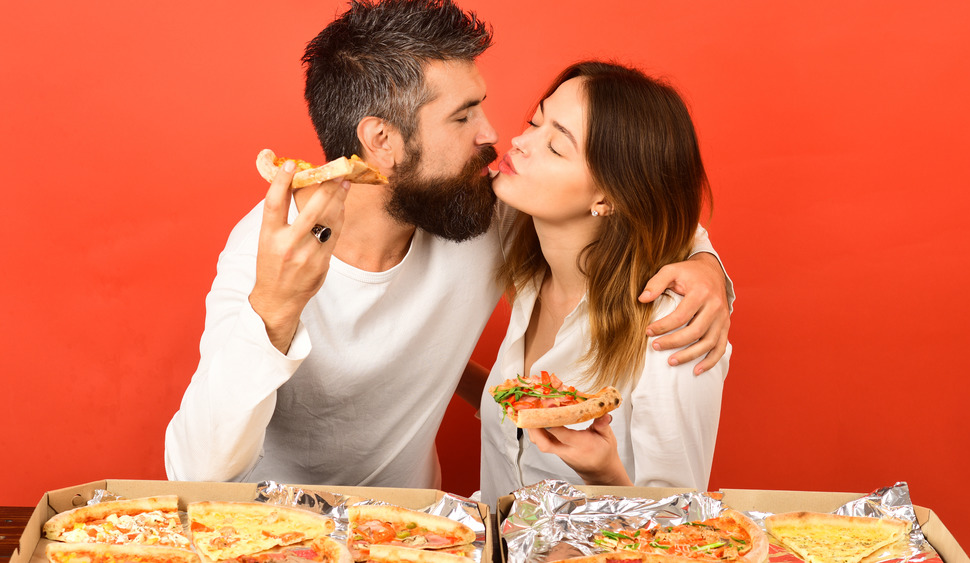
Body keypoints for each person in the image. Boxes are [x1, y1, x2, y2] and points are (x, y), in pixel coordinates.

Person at [165, 0, 732, 490]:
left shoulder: (483, 205)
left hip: (422, 536)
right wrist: (274, 309)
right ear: (381, 142)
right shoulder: (271, 249)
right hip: (277, 533)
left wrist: (706, 267)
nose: (494, 134)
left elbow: (628, 196)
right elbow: (194, 471)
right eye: (463, 116)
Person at [479, 61, 730, 506]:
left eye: (556, 146)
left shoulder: (674, 329)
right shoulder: (528, 266)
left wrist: (604, 475)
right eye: (534, 121)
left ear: (607, 198)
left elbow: (677, 527)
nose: (519, 142)